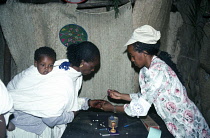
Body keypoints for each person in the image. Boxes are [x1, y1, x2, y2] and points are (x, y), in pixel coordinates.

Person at [101, 25, 210, 138]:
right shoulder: (145, 70)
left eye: (132, 56)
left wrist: (112, 108)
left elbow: (140, 109)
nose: (132, 60)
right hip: (175, 125)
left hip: (188, 125)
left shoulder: (158, 71)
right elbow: (146, 96)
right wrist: (121, 96)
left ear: (144, 52)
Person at [6, 41, 104, 137]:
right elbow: (50, 119)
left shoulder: (65, 66)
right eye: (92, 66)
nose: (93, 70)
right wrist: (73, 114)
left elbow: (61, 100)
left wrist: (87, 103)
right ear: (82, 63)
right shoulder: (63, 82)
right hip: (26, 128)